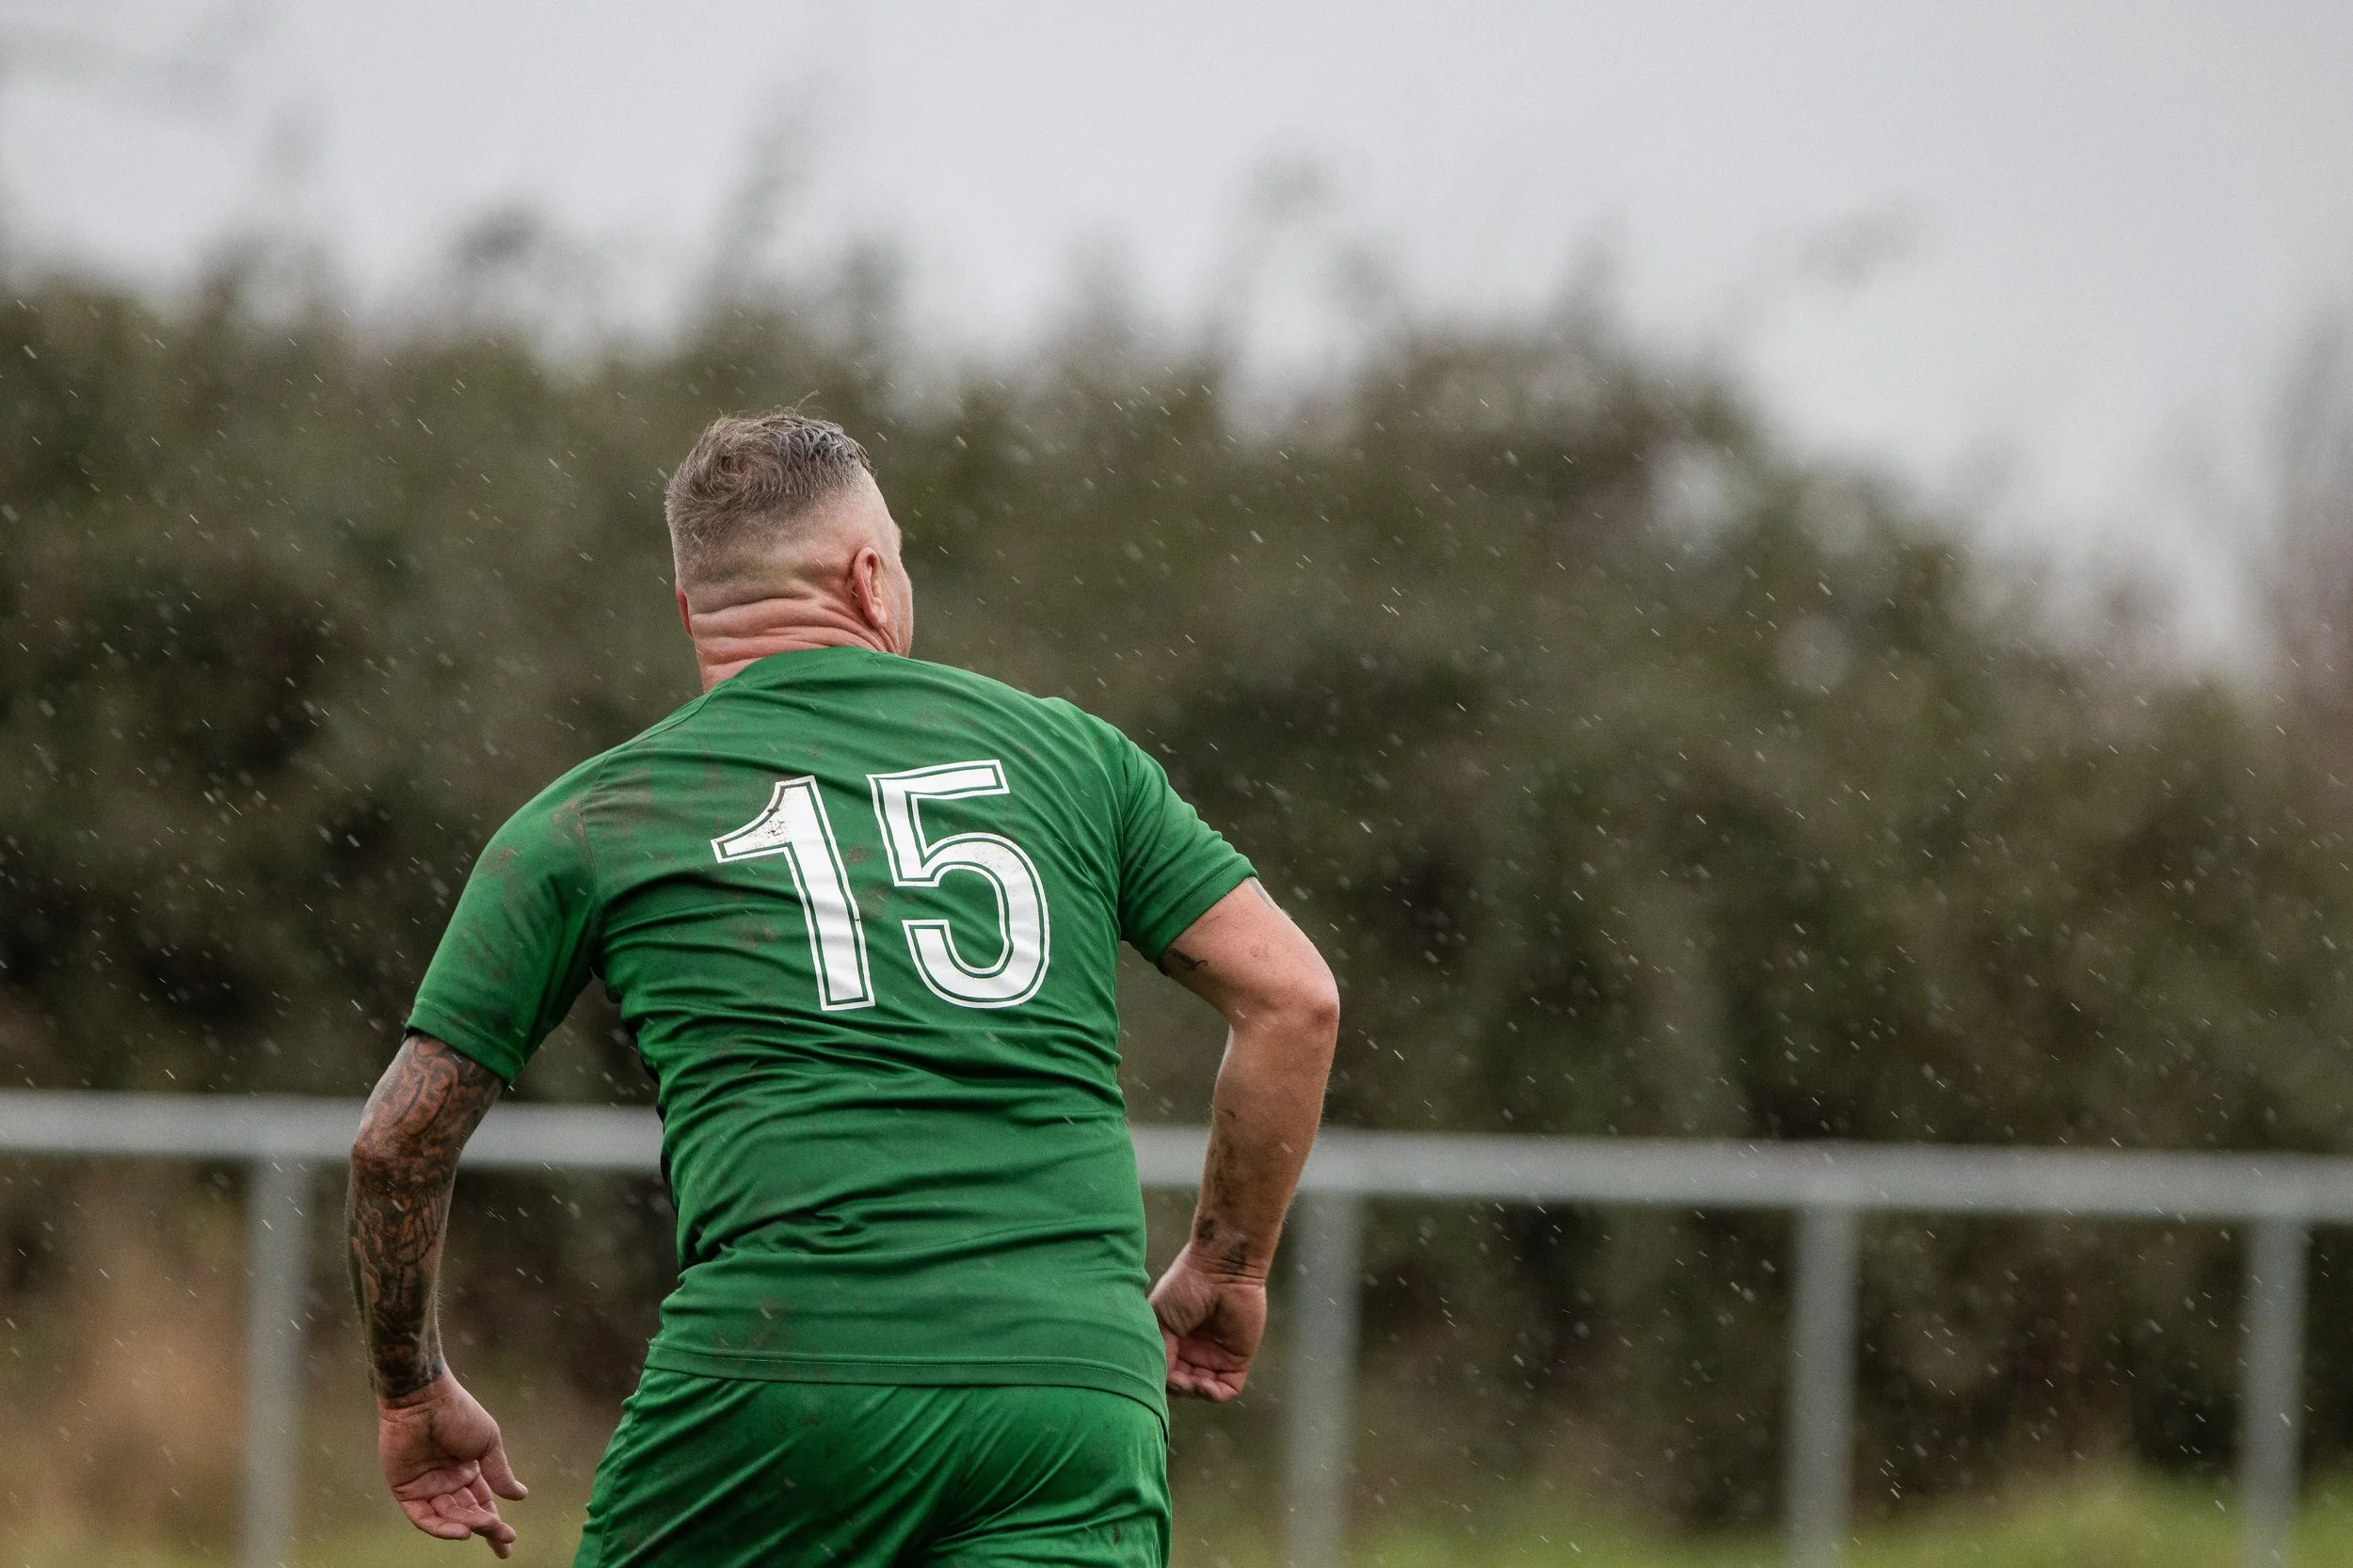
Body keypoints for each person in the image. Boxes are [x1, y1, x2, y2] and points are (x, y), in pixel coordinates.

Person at [345, 410, 1340, 1566]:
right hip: (1068, 1390)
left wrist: (409, 1391)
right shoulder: (1077, 759)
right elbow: (1293, 1002)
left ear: (691, 614)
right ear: (872, 579)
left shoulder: (588, 820)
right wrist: (1226, 1265)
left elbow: (394, 1144)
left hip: (779, 1385)